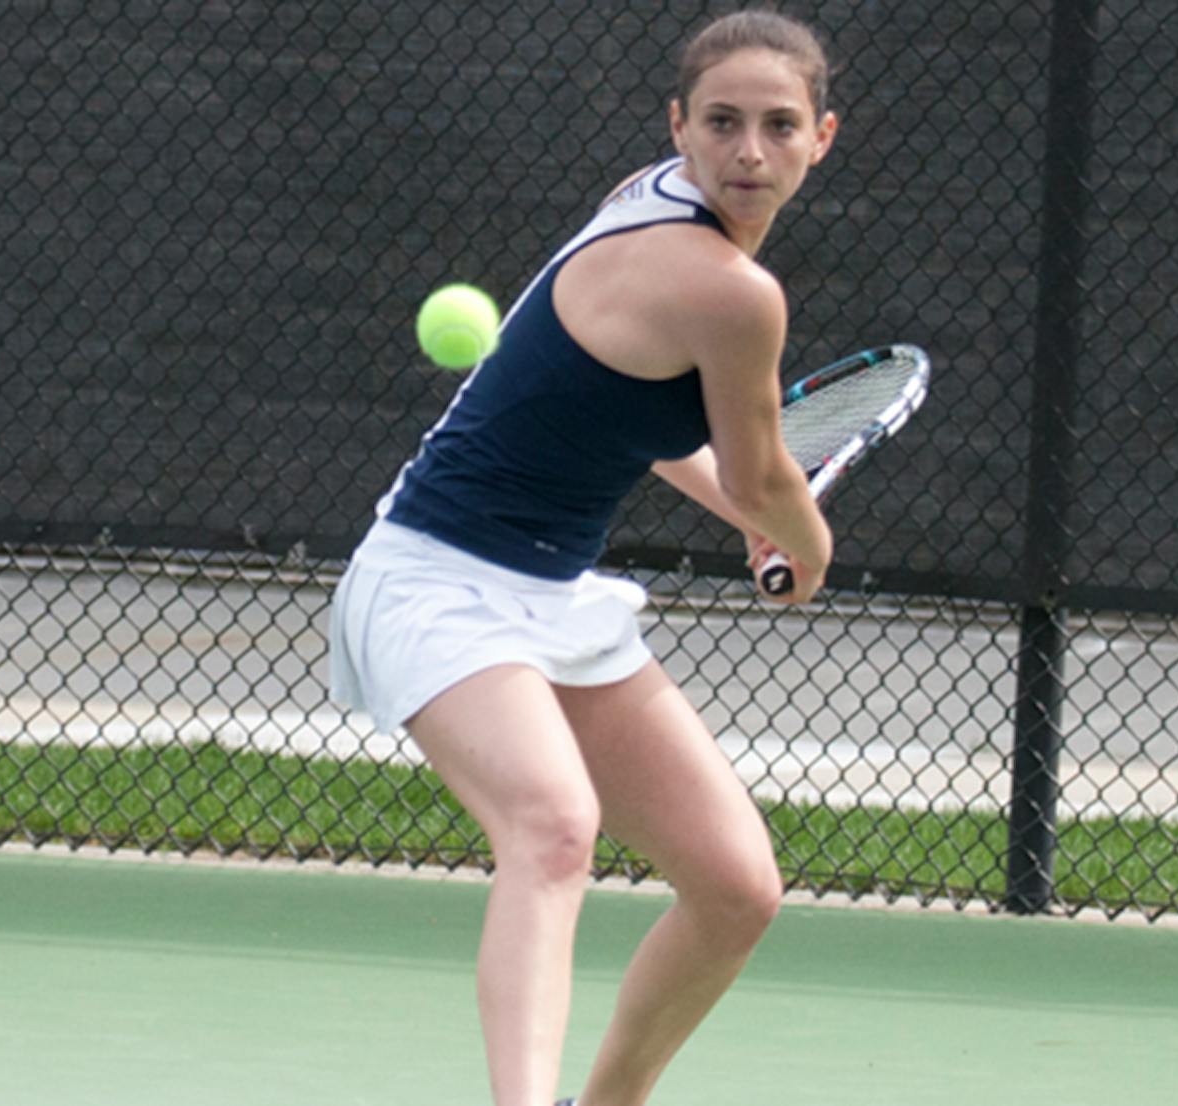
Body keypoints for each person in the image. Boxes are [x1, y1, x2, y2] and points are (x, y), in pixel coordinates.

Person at [327, 11, 840, 1106]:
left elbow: (657, 441)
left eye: (777, 125)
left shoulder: (646, 198)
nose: (748, 151)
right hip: (433, 579)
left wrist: (753, 512)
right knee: (554, 825)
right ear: (679, 127)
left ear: (820, 138)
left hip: (553, 599)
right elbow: (762, 485)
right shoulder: (731, 291)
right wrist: (805, 538)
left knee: (736, 886)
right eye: (721, 122)